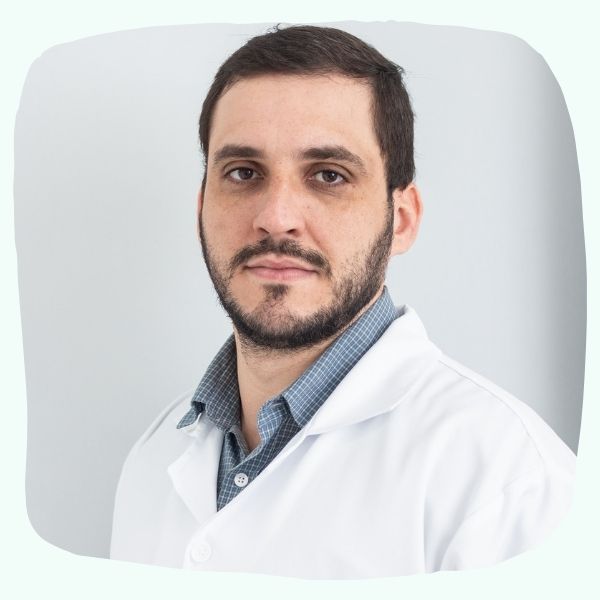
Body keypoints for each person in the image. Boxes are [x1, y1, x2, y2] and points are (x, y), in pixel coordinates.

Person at [110, 24, 575, 579]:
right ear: (201, 208)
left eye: (329, 175)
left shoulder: (509, 482)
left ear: (402, 220)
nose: (276, 217)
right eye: (243, 173)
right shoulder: (152, 461)